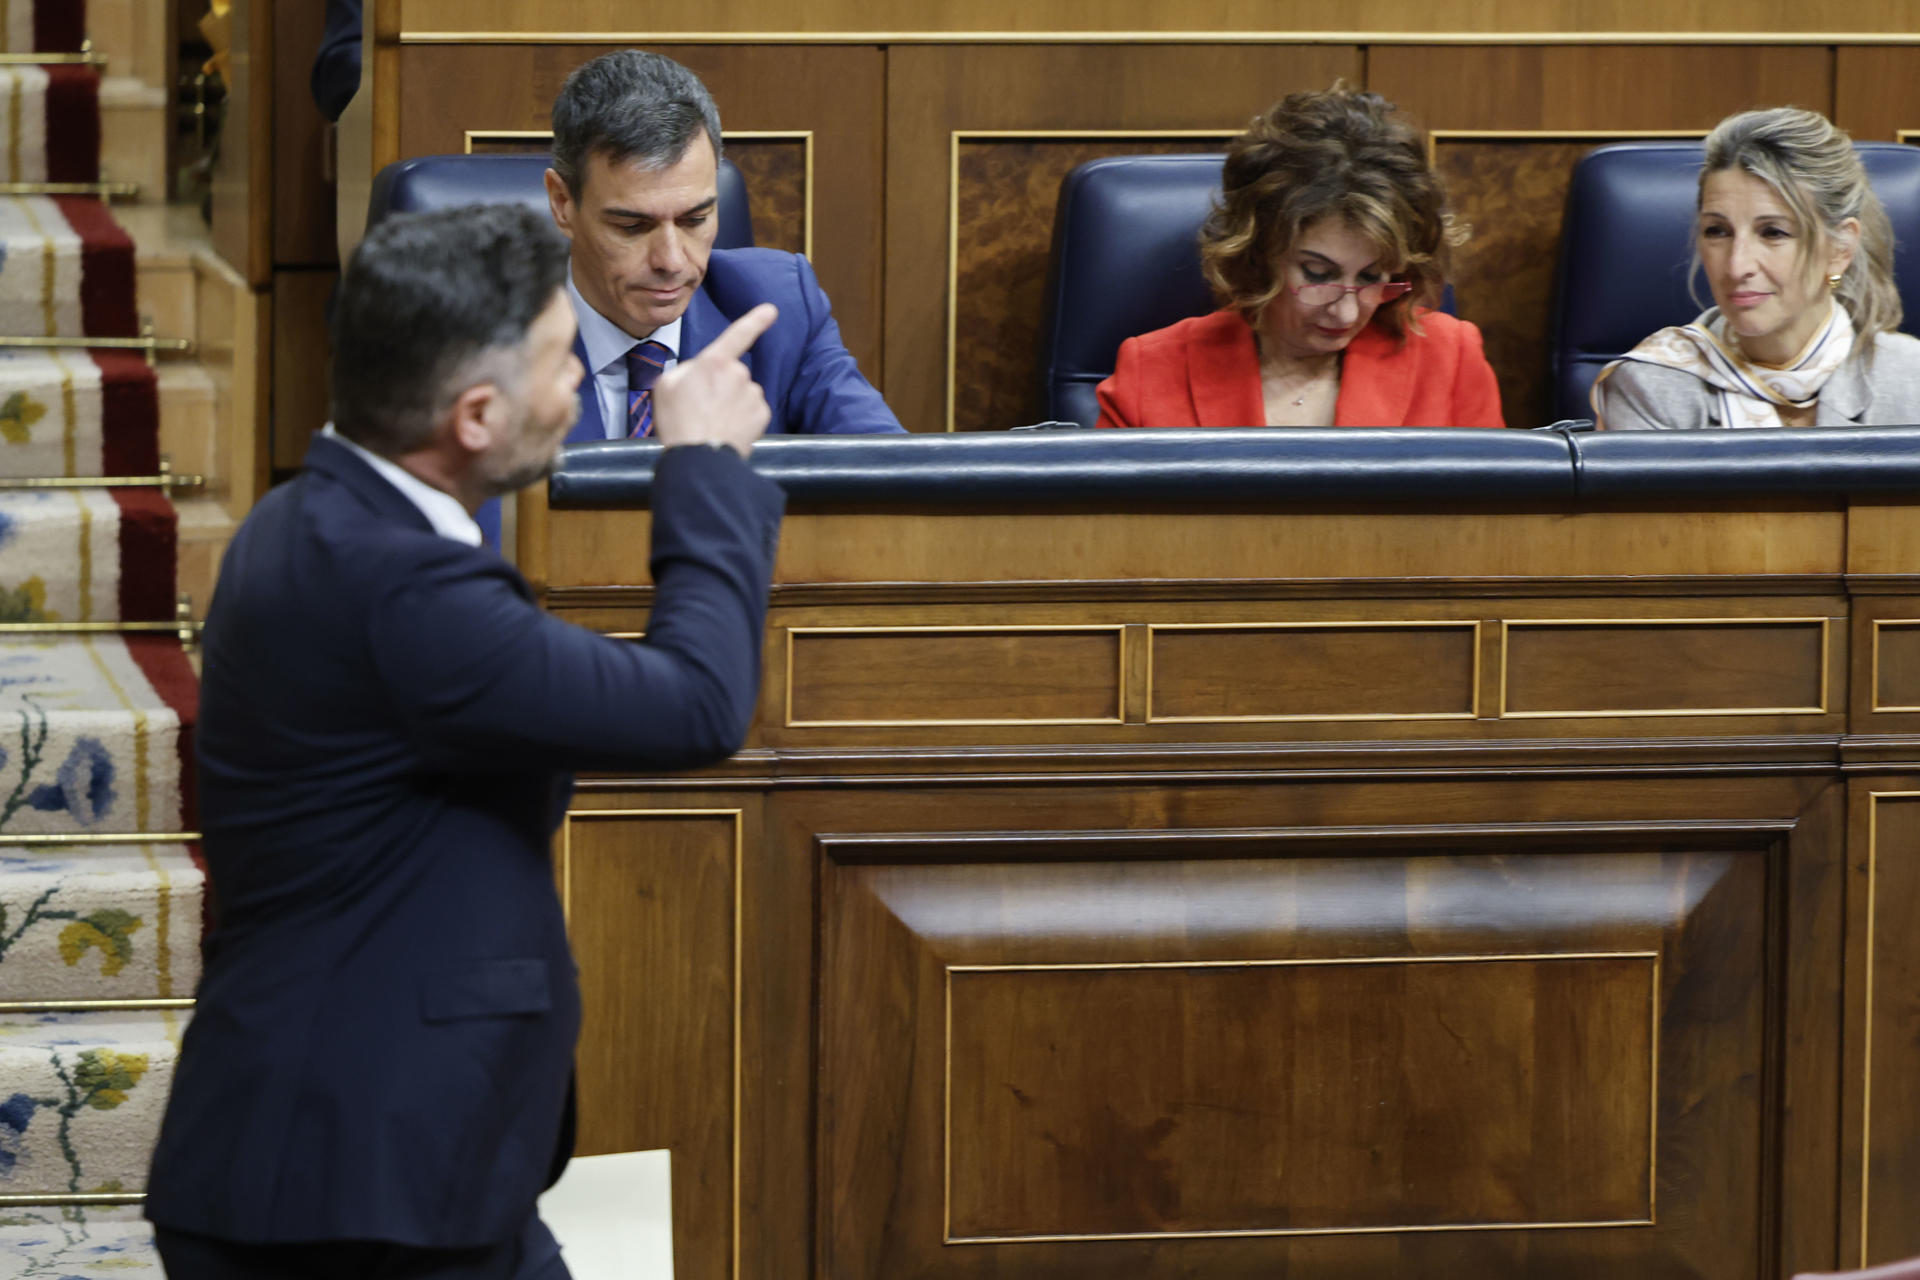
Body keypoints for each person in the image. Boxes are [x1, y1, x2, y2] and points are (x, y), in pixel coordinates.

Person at [142, 203, 786, 1279]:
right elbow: (698, 703)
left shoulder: (316, 520)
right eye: (555, 356)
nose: (582, 374)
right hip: (350, 1194)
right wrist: (705, 464)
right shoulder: (400, 588)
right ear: (476, 415)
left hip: (395, 1165)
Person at [544, 50, 904, 442]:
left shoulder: (780, 308)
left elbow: (890, 475)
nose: (672, 260)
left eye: (694, 220)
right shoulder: (491, 340)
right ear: (563, 204)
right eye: (632, 226)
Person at [1095, 89, 1503, 430]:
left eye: (1370, 277)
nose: (1346, 312)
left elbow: (1493, 522)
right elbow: (1105, 526)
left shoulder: (1451, 359)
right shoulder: (1151, 371)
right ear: (1259, 251)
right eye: (1318, 273)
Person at [1593, 107, 1920, 430]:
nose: (1737, 267)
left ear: (1840, 248)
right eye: (1717, 231)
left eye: (1773, 233)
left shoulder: (1911, 379)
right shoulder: (1650, 388)